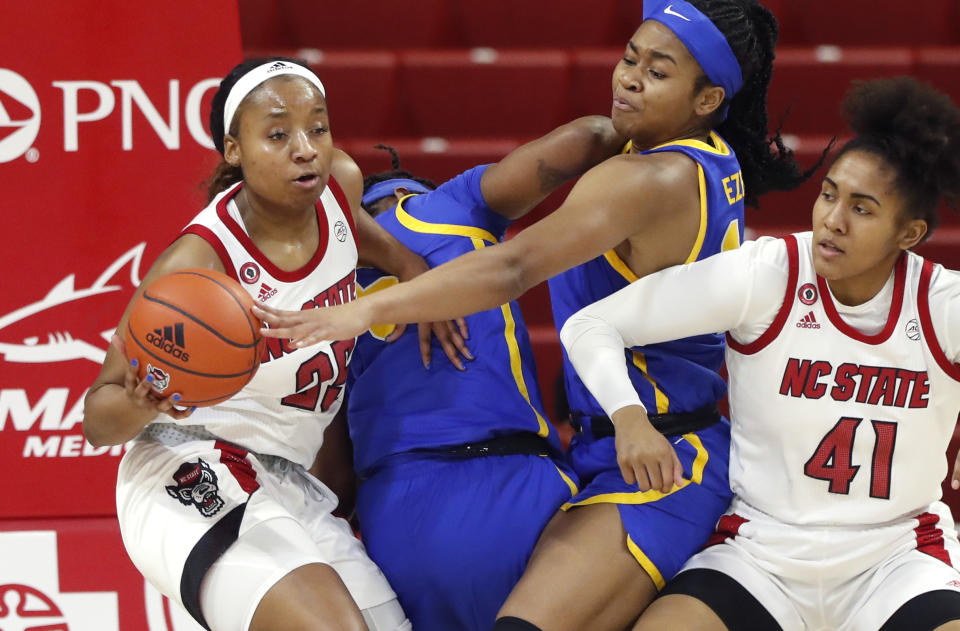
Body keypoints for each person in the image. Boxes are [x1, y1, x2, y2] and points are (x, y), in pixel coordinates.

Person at [254, 1, 823, 629]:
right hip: (599, 448)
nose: (629, 78)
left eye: (657, 72)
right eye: (629, 58)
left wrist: (367, 309)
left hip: (665, 451)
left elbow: (512, 270)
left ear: (708, 98)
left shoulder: (650, 179)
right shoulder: (667, 153)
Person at [560, 76, 960, 631]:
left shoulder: (942, 305)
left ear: (909, 234)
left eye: (863, 209)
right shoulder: (768, 274)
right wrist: (629, 417)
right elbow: (591, 324)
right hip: (761, 553)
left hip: (894, 559)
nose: (832, 220)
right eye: (829, 194)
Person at [81, 57, 444, 631]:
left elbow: (356, 232)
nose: (306, 149)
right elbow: (97, 421)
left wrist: (410, 270)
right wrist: (142, 399)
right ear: (234, 150)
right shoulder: (198, 263)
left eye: (318, 128)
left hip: (291, 479)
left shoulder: (339, 185)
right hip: (188, 462)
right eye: (278, 134)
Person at [345, 118, 624, 631]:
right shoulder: (452, 208)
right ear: (412, 193)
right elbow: (587, 138)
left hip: (398, 516)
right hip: (518, 486)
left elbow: (332, 475)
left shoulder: (321, 283)